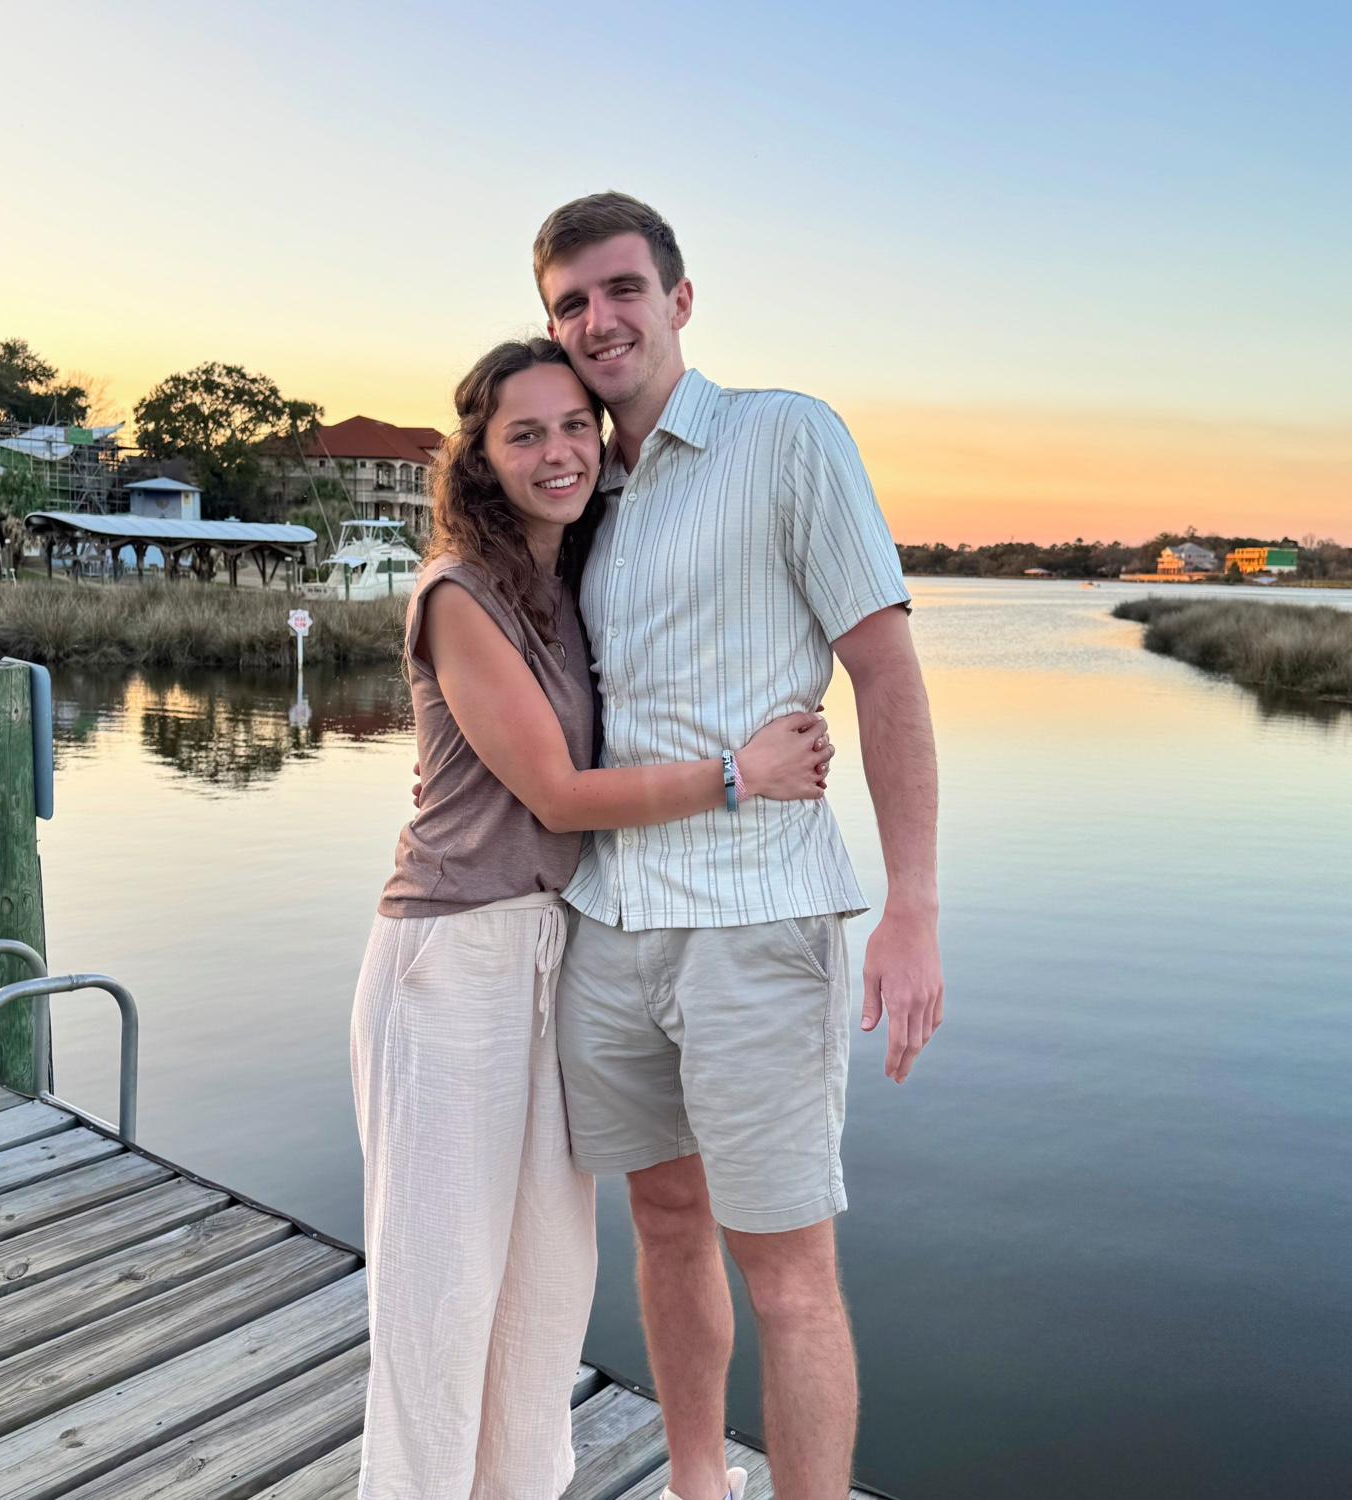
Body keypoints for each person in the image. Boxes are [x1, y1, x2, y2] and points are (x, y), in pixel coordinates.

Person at [351, 336, 837, 1500]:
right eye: (526, 434)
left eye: (576, 425)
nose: (560, 451)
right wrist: (742, 775)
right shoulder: (461, 594)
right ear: (481, 457)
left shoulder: (562, 584)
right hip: (451, 957)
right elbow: (560, 796)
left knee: (544, 1285)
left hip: (550, 948)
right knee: (440, 1292)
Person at [532, 193, 945, 1500]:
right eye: (569, 303)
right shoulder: (581, 490)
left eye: (621, 289)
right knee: (664, 1224)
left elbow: (885, 672)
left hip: (758, 921)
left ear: (680, 299)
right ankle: (696, 1481)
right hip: (611, 926)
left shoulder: (785, 438)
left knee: (790, 1272)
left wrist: (913, 906)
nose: (598, 320)